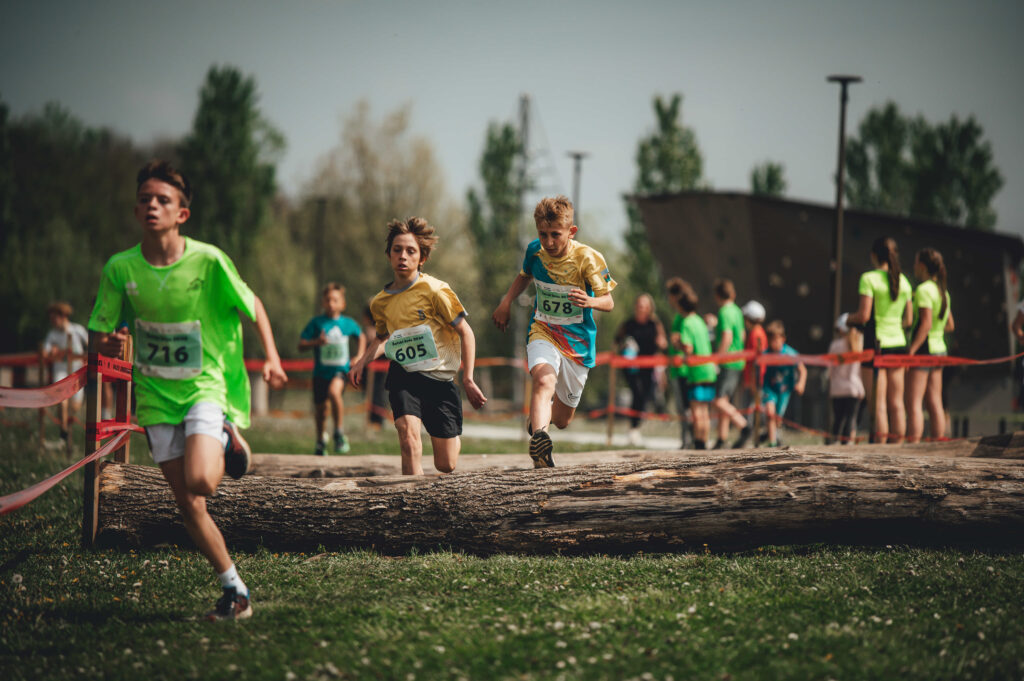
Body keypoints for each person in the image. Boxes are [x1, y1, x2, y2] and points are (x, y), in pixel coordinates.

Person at [88, 160, 288, 621]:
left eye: (163, 200)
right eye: (145, 199)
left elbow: (253, 304)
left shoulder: (208, 260)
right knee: (188, 504)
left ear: (182, 214)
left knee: (202, 481)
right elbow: (98, 331)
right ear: (136, 210)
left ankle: (224, 432)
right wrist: (107, 342)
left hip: (204, 384)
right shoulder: (120, 268)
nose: (152, 206)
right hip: (155, 395)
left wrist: (273, 358)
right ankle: (235, 591)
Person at [350, 217, 486, 475]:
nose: (403, 256)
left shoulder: (435, 291)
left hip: (439, 379)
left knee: (445, 464)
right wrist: (361, 362)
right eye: (397, 250)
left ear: (422, 258)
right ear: (389, 255)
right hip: (404, 375)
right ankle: (411, 497)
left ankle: (451, 440)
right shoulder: (380, 303)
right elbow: (383, 338)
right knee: (408, 436)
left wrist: (468, 378)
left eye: (410, 251)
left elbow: (466, 332)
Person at [492, 196, 616, 468]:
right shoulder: (534, 251)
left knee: (562, 420)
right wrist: (506, 301)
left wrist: (591, 301)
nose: (548, 242)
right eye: (543, 234)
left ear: (571, 231)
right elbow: (524, 275)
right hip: (543, 331)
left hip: (578, 345)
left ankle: (541, 420)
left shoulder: (588, 258)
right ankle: (540, 444)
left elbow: (609, 302)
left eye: (555, 235)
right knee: (543, 380)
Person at [846, 237, 913, 444]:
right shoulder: (904, 281)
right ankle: (898, 449)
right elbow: (909, 320)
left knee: (878, 405)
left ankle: (881, 452)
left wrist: (847, 318)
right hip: (899, 344)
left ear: (874, 255)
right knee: (897, 404)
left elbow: (863, 315)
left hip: (876, 345)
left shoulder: (869, 278)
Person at [299, 283, 365, 455]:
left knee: (334, 392)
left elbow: (361, 336)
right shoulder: (316, 323)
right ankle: (320, 441)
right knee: (321, 411)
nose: (331, 303)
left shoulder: (348, 323)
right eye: (328, 300)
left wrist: (359, 356)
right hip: (321, 373)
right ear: (323, 302)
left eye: (335, 300)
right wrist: (316, 342)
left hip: (340, 371)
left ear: (343, 304)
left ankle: (339, 433)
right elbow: (301, 344)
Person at [905, 248, 954, 443]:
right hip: (940, 349)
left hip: (924, 350)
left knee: (914, 403)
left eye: (916, 262)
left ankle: (914, 445)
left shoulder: (924, 289)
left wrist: (911, 351)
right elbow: (950, 325)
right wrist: (936, 330)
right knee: (935, 400)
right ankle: (937, 443)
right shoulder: (943, 292)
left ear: (922, 266)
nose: (914, 266)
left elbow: (925, 324)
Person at [666, 278, 714, 450]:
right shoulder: (699, 321)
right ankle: (703, 443)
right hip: (708, 370)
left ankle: (697, 444)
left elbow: (688, 347)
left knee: (695, 410)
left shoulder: (685, 322)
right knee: (705, 411)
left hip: (694, 372)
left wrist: (677, 343)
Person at [613, 293, 667, 446]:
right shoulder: (629, 324)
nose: (641, 308)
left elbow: (663, 344)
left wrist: (662, 344)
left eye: (644, 306)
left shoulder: (655, 324)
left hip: (648, 366)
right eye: (639, 305)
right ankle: (633, 429)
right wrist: (620, 350)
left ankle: (635, 427)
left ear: (649, 308)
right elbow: (616, 341)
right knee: (637, 392)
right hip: (631, 366)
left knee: (645, 396)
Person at [710, 279, 749, 448]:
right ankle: (722, 437)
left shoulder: (724, 312)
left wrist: (717, 358)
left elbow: (727, 336)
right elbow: (742, 335)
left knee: (718, 400)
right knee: (725, 399)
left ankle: (744, 426)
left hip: (728, 361)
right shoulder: (737, 311)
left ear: (717, 295)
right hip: (738, 359)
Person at [761, 320, 807, 447]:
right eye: (771, 340)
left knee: (778, 418)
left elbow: (802, 370)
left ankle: (774, 433)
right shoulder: (766, 353)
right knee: (770, 412)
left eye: (776, 340)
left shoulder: (790, 353)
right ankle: (772, 443)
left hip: (784, 390)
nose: (774, 343)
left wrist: (801, 383)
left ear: (783, 339)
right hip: (769, 388)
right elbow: (757, 368)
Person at [42, 301, 89, 413]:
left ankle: (68, 419)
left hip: (77, 370)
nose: (52, 321)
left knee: (75, 407)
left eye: (54, 318)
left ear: (63, 316)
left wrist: (86, 358)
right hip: (60, 369)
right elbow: (44, 352)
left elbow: (91, 345)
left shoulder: (78, 330)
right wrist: (52, 351)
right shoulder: (52, 334)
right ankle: (63, 422)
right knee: (61, 399)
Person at [828, 313, 865, 444]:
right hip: (854, 388)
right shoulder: (859, 344)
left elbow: (830, 370)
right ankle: (848, 442)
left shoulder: (835, 345)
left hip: (837, 388)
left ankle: (834, 441)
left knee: (838, 418)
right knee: (851, 418)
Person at [735, 300, 767, 446]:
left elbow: (756, 360)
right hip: (754, 377)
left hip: (755, 378)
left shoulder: (756, 334)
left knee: (753, 408)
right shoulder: (758, 333)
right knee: (754, 408)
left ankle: (750, 436)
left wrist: (752, 380)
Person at [666, 283, 692, 449]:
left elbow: (685, 343)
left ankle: (688, 440)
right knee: (683, 408)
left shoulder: (684, 318)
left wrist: (675, 342)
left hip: (682, 369)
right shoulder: (680, 316)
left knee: (685, 407)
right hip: (678, 369)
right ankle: (686, 440)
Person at [360, 304, 390, 431]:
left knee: (378, 390)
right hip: (371, 364)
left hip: (380, 363)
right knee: (373, 389)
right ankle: (374, 419)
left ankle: (377, 420)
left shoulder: (375, 330)